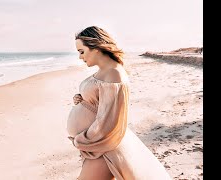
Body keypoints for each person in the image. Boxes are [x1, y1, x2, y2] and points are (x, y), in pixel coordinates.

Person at [66, 26, 172, 180]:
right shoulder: (105, 71)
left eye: (82, 51)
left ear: (96, 47)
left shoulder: (114, 73)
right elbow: (100, 102)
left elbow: (108, 122)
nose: (80, 57)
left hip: (104, 148)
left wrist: (81, 140)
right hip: (98, 147)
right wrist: (82, 99)